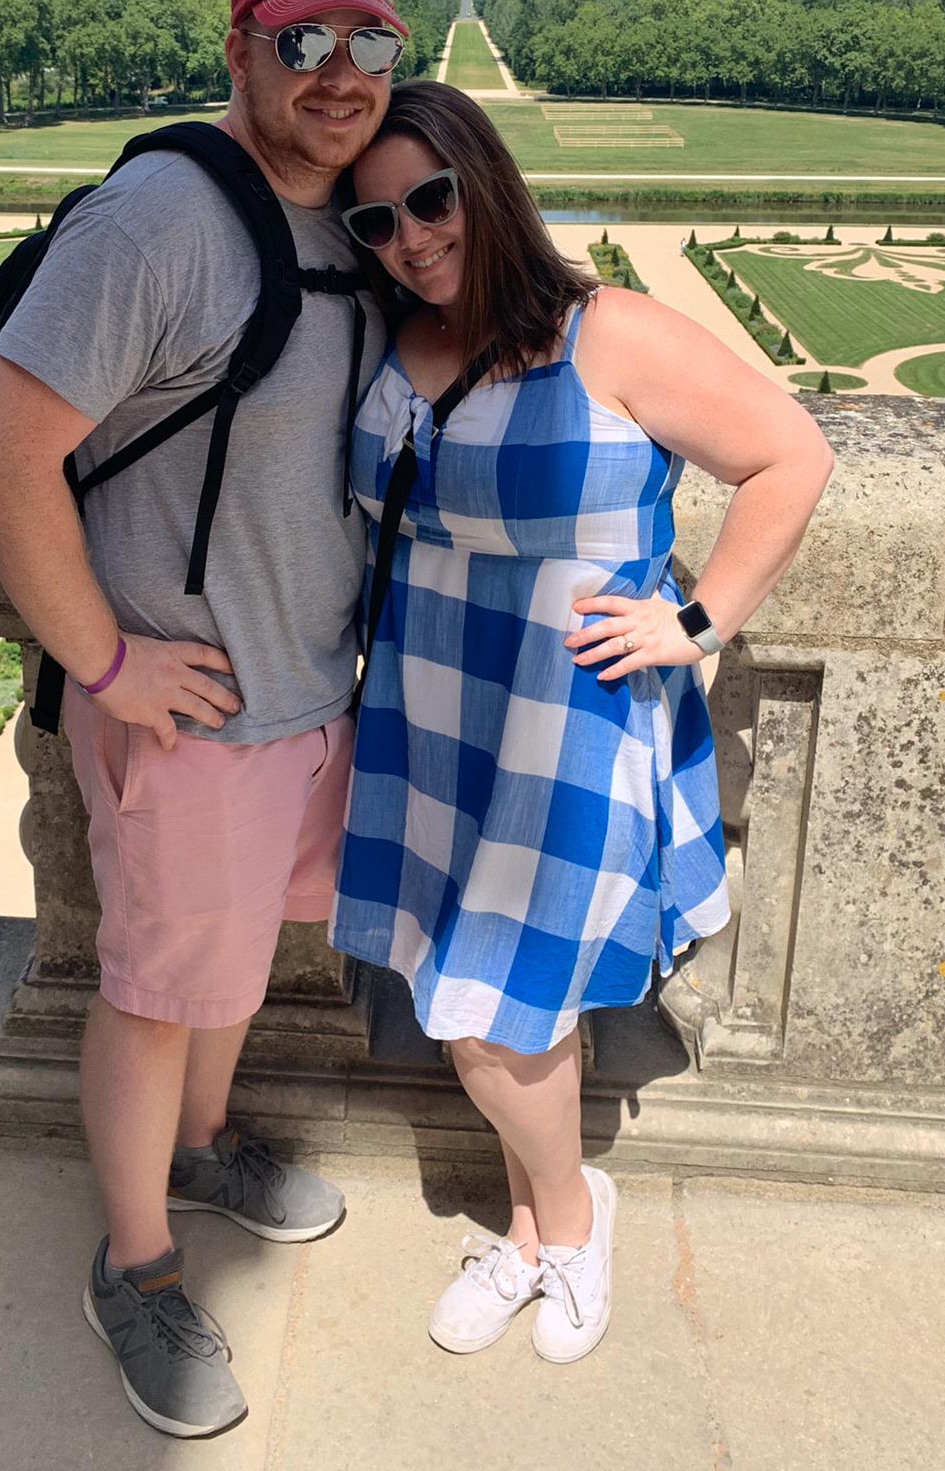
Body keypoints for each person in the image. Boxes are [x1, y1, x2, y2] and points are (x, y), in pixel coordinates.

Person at [0, 0, 408, 1439]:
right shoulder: (157, 221)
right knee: (154, 998)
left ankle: (203, 1148)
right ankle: (136, 1265)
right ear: (239, 49)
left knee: (215, 978)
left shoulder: (344, 212)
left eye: (369, 44)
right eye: (303, 43)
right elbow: (0, 451)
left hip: (295, 698)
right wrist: (101, 660)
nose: (340, 76)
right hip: (192, 714)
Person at [330, 80, 833, 1365]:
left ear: (483, 182)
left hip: (565, 727)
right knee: (493, 1000)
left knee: (489, 1013)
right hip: (432, 713)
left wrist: (700, 619)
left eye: (431, 199)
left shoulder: (608, 333)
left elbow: (791, 454)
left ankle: (568, 1217)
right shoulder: (393, 339)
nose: (412, 237)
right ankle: (530, 1221)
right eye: (376, 219)